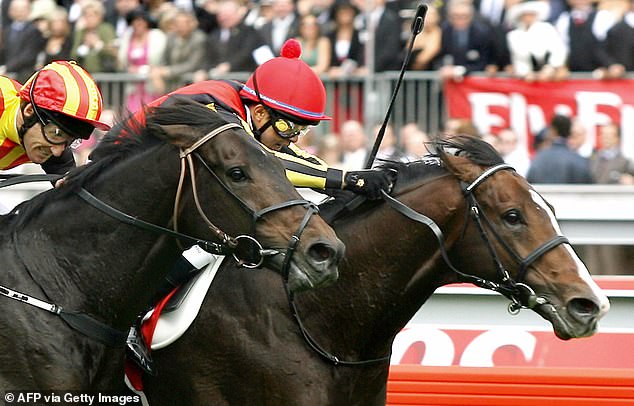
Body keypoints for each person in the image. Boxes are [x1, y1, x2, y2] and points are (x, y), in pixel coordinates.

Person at [124, 39, 394, 373]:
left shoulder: (253, 113)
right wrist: (344, 179)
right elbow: (264, 164)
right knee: (221, 234)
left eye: (303, 129)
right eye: (289, 127)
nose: (294, 137)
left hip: (169, 184)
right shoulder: (216, 109)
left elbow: (294, 159)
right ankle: (132, 317)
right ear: (261, 113)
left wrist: (350, 178)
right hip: (125, 178)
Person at [0, 60, 110, 176]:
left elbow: (64, 173)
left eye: (71, 141)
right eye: (57, 133)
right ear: (29, 111)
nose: (57, 152)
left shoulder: (52, 141)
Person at [526, 114, 594, 184]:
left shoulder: (539, 158)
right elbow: (589, 188)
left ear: (552, 131)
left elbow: (529, 184)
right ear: (569, 132)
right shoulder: (579, 160)